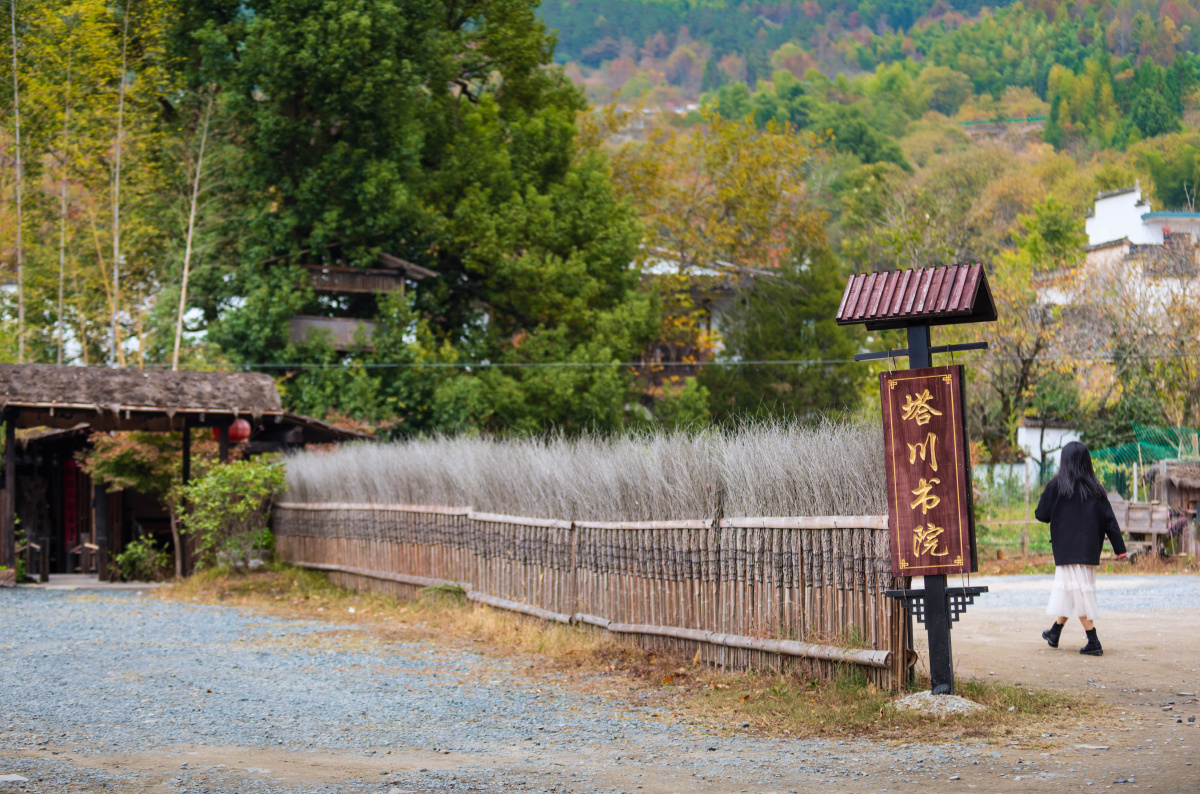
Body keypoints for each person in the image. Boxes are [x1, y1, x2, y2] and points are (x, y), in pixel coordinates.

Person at [1034, 441, 1128, 656]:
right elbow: (1109, 520)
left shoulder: (1056, 485)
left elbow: (1041, 514)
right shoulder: (1096, 488)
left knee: (1077, 592)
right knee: (1074, 590)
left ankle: (1093, 641)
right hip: (1088, 551)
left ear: (1064, 461)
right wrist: (1119, 548)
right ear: (1087, 461)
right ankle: (1055, 632)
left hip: (1066, 551)